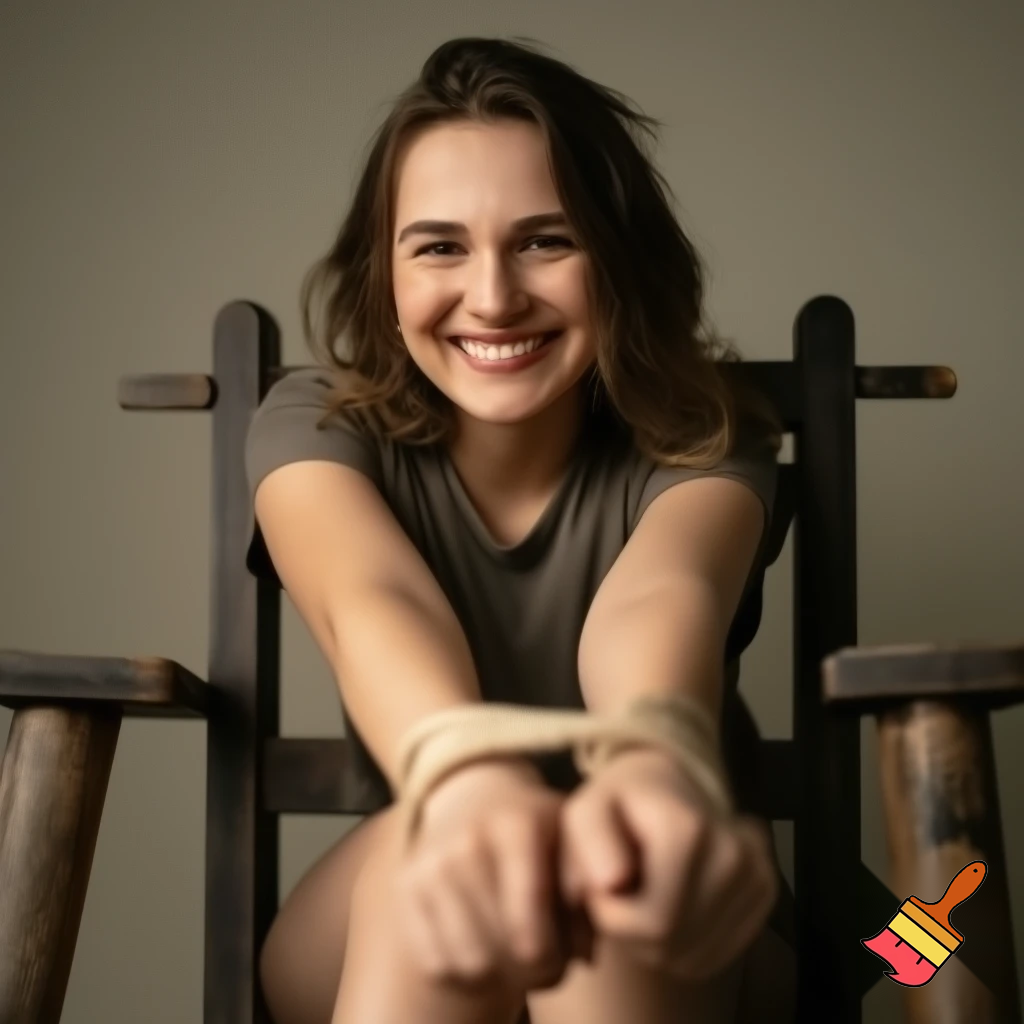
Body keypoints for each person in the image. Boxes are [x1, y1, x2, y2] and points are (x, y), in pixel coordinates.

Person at [244, 35, 796, 1024]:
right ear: (386, 273)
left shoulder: (704, 432)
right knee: (441, 866)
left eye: (546, 239)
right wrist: (466, 786)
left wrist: (646, 770)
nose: (492, 295)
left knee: (606, 882)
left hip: (667, 911)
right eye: (440, 245)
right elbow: (371, 601)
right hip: (394, 898)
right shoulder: (314, 423)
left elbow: (664, 599)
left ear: (616, 258)